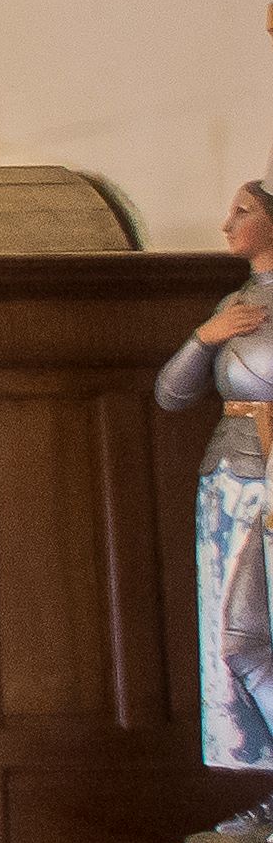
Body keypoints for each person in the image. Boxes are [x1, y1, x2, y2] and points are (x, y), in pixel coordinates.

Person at [166, 180, 273, 777]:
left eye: (243, 211)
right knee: (235, 641)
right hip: (230, 481)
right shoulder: (234, 305)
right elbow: (171, 394)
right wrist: (205, 338)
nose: (227, 223)